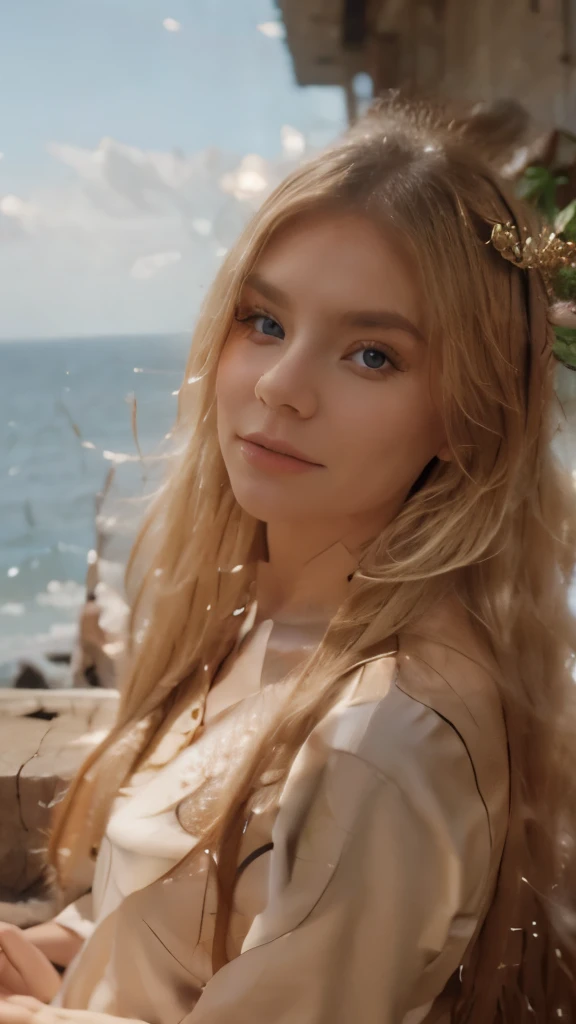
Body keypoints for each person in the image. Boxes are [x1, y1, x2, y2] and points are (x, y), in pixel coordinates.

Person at [1, 98, 575, 1024]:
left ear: (470, 416)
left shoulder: (385, 737)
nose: (279, 385)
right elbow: (178, 928)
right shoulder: (259, 621)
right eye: (265, 322)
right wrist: (51, 951)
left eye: (372, 355)